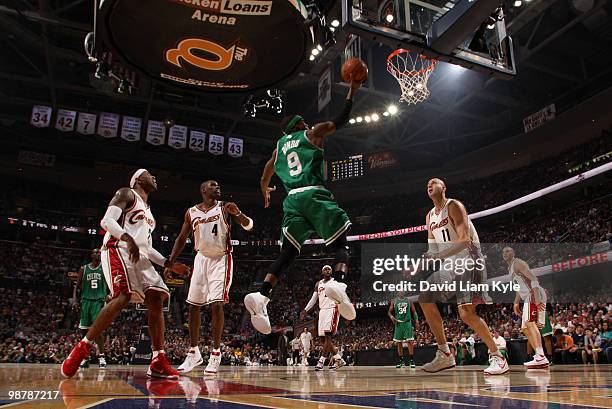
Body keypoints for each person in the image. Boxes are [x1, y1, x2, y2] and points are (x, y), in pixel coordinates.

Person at [244, 77, 363, 334]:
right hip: (313, 193)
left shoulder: (278, 148)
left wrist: (265, 188)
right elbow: (339, 121)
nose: (307, 123)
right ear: (297, 125)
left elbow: (266, 171)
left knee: (288, 252)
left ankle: (263, 294)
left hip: (292, 200)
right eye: (302, 121)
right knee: (341, 243)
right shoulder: (311, 133)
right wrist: (352, 91)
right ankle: (339, 284)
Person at [60, 169, 188, 379]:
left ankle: (158, 359)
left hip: (139, 254)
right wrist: (127, 239)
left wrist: (169, 264)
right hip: (117, 247)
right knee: (123, 295)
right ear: (138, 179)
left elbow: (146, 247)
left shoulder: (149, 213)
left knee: (156, 299)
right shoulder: (126, 193)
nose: (154, 177)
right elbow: (107, 222)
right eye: (149, 174)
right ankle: (83, 347)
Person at [417, 178, 508, 375]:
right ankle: (445, 354)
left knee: (466, 313)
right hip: (451, 265)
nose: (429, 185)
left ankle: (498, 356)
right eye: (427, 185)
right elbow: (433, 249)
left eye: (434, 182)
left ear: (444, 187)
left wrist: (439, 255)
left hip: (470, 261)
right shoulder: (429, 217)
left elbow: (465, 240)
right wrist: (423, 260)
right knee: (425, 296)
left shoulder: (454, 206)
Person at [165, 180, 253, 375]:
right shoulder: (191, 212)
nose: (218, 187)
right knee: (193, 305)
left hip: (221, 258)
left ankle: (215, 353)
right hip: (201, 258)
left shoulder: (225, 207)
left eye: (219, 185)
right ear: (203, 190)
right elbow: (181, 238)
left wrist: (237, 214)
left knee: (217, 304)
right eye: (213, 185)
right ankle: (194, 352)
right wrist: (170, 261)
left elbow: (249, 226)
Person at [503, 246, 550, 369]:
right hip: (527, 296)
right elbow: (518, 288)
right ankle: (540, 356)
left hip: (533, 294)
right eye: (503, 252)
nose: (505, 253)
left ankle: (540, 355)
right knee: (525, 328)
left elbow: (533, 278)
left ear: (514, 253)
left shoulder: (518, 263)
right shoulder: (510, 269)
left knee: (530, 323)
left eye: (508, 251)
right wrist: (516, 303)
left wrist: (537, 298)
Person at [300, 265, 346, 371]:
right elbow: (313, 299)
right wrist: (305, 310)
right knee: (322, 339)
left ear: (331, 272)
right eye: (325, 269)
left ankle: (321, 361)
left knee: (328, 336)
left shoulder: (335, 282)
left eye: (329, 269)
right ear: (322, 272)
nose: (327, 270)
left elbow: (343, 295)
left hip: (332, 309)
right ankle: (339, 359)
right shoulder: (318, 284)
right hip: (322, 311)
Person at [71, 248, 109, 369]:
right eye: (95, 252)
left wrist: (109, 295)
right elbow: (76, 286)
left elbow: (109, 283)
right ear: (91, 255)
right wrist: (75, 299)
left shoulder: (104, 268)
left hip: (98, 301)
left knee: (97, 330)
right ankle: (85, 357)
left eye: (99, 252)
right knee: (84, 330)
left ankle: (102, 356)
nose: (97, 254)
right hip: (86, 301)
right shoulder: (84, 268)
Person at [388, 293, 419, 368]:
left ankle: (411, 360)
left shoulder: (409, 300)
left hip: (407, 322)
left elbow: (414, 311)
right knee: (399, 343)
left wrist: (417, 320)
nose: (401, 291)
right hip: (398, 323)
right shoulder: (394, 301)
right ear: (398, 292)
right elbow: (389, 312)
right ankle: (401, 361)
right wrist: (392, 317)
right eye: (400, 290)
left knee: (410, 342)